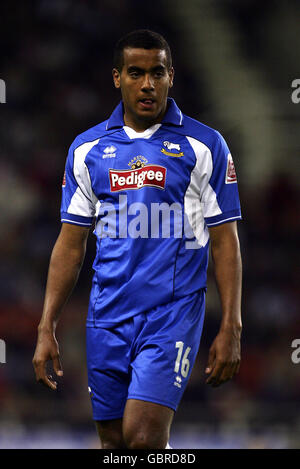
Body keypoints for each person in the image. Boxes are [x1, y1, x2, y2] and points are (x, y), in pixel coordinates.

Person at [32, 29, 242, 450]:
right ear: (117, 78)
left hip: (172, 314)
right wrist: (46, 324)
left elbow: (225, 239)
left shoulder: (205, 146)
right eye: (136, 73)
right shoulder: (87, 149)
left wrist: (231, 326)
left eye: (157, 73)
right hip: (106, 317)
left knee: (143, 439)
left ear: (171, 77)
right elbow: (71, 244)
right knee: (113, 444)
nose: (148, 84)